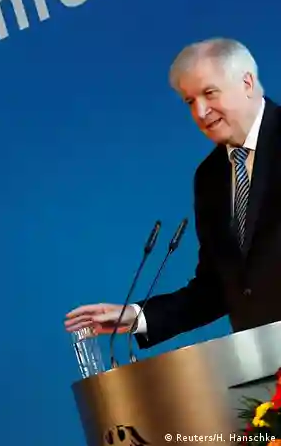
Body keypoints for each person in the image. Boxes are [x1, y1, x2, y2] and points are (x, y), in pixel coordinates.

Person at [64, 37, 281, 349]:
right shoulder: (209, 177)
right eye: (190, 101)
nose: (201, 112)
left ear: (246, 82)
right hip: (266, 364)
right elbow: (218, 287)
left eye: (209, 93)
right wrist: (137, 317)